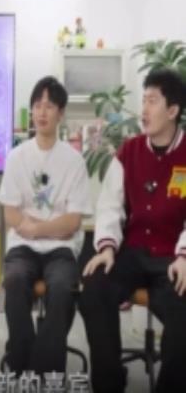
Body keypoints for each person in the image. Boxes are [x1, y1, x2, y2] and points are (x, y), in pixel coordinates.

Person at [79, 69, 186, 393]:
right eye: (143, 100)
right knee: (95, 290)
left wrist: (184, 256)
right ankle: (110, 382)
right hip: (133, 252)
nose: (144, 110)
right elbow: (110, 205)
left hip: (173, 257)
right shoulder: (129, 151)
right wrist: (107, 248)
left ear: (173, 110)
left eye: (152, 101)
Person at [0, 76, 92, 377]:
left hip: (60, 249)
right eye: (37, 105)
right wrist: (50, 225)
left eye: (49, 106)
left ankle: (44, 367)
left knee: (63, 287)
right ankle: (23, 357)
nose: (41, 112)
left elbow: (73, 222)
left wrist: (37, 228)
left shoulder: (74, 161)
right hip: (22, 247)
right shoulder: (17, 157)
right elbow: (10, 214)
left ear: (60, 113)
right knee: (14, 281)